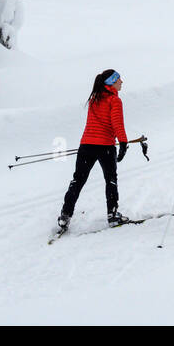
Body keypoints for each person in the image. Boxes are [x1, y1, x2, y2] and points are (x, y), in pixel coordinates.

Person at [57, 69, 136, 232]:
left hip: (86, 145)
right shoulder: (114, 100)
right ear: (112, 82)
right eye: (119, 79)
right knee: (111, 180)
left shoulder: (94, 98)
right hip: (105, 146)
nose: (122, 82)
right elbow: (117, 124)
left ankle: (65, 215)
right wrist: (122, 143)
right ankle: (113, 215)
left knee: (78, 180)